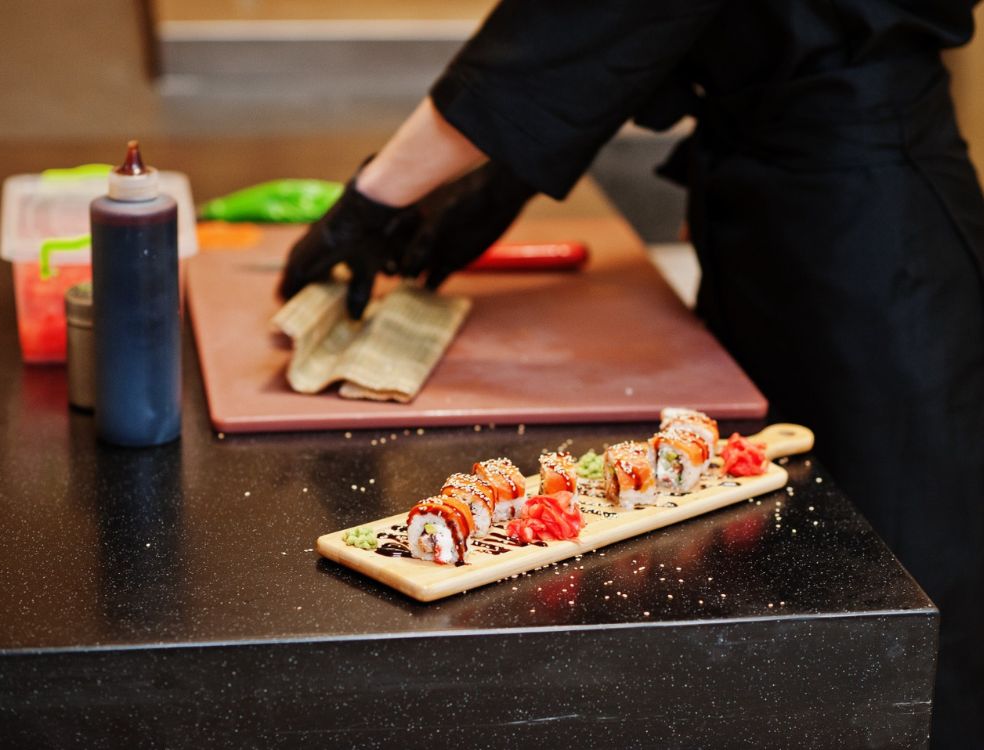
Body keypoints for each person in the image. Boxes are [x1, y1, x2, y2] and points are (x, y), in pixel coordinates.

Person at [279, 2, 984, 746]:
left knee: (899, 588)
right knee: (772, 572)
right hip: (785, 221)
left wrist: (376, 194)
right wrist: (495, 184)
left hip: (880, 247)